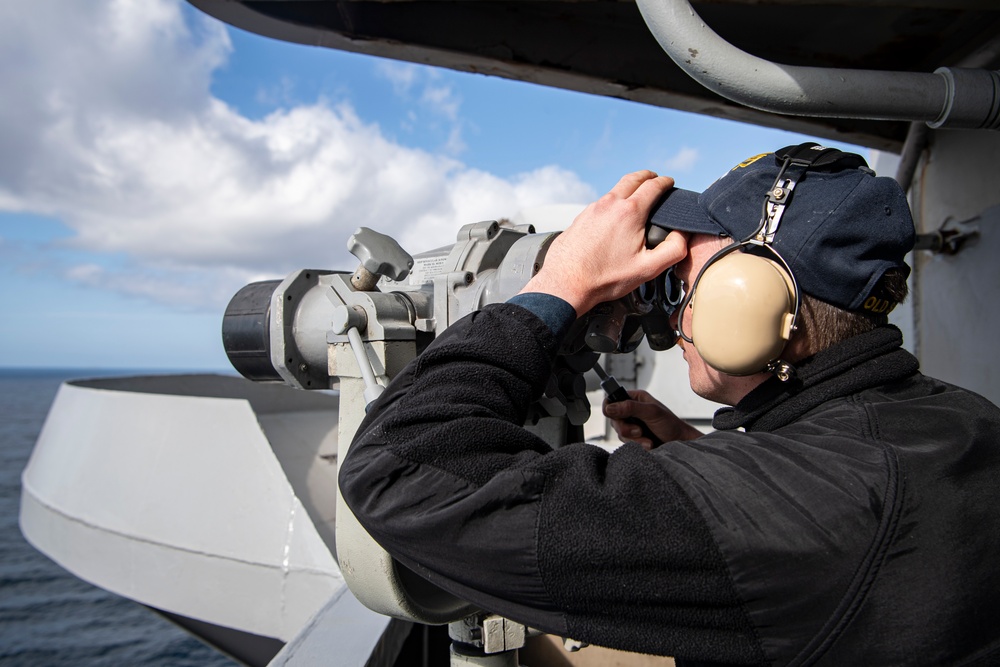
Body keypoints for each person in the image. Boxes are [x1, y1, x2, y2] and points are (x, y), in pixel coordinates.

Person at [339, 145, 1000, 666]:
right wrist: (700, 455)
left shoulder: (809, 508)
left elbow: (397, 468)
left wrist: (559, 285)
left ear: (753, 296)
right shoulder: (963, 421)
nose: (670, 296)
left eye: (687, 277)